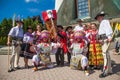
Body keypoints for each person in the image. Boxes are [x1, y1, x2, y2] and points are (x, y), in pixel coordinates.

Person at [95, 11, 113, 78]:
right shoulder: (102, 23)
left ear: (101, 17)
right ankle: (109, 70)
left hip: (105, 40)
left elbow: (108, 29)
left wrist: (109, 37)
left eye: (98, 17)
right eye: (97, 18)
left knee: (105, 55)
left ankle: (105, 72)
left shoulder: (104, 21)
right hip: (103, 40)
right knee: (107, 55)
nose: (97, 19)